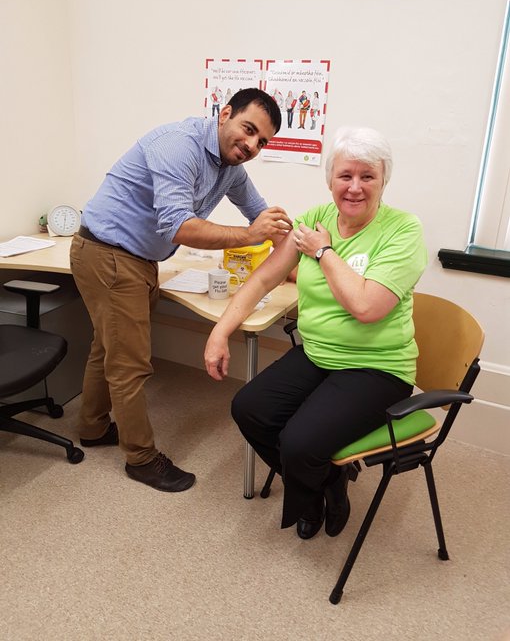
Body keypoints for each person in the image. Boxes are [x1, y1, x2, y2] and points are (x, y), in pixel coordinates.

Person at [204, 127, 428, 540]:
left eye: (367, 176)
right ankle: (328, 480)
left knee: (299, 443)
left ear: (384, 180)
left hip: (377, 368)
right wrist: (220, 332)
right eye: (345, 175)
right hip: (317, 353)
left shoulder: (403, 231)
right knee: (249, 408)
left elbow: (366, 307)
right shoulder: (312, 220)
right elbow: (264, 278)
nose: (355, 187)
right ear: (330, 180)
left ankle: (317, 491)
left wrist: (324, 252)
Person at [70, 88, 293, 493]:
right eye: (248, 129)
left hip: (137, 258)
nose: (252, 145)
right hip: (108, 254)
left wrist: (295, 258)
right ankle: (141, 459)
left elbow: (260, 214)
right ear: (225, 113)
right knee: (130, 363)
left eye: (262, 141)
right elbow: (178, 226)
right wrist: (250, 235)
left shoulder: (230, 165)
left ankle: (92, 427)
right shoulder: (179, 145)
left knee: (108, 348)